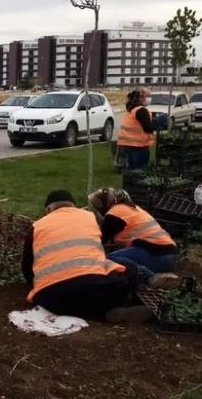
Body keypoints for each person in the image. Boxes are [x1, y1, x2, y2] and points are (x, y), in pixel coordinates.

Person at [21, 190, 155, 323]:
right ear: (73, 206)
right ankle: (118, 303)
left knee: (70, 301)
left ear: (49, 209)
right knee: (127, 268)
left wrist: (36, 282)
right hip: (96, 285)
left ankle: (104, 313)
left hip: (50, 296)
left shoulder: (37, 226)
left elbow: (27, 268)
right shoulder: (88, 217)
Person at [89, 187, 180, 274]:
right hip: (170, 254)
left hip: (157, 255)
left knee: (110, 259)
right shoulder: (131, 208)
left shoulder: (114, 215)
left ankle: (149, 276)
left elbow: (99, 241)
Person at [118, 88, 155, 170]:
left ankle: (131, 182)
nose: (149, 98)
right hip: (139, 145)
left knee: (131, 169)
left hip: (128, 144)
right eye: (148, 96)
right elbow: (148, 128)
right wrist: (158, 124)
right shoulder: (141, 110)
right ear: (141, 98)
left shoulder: (131, 109)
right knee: (140, 170)